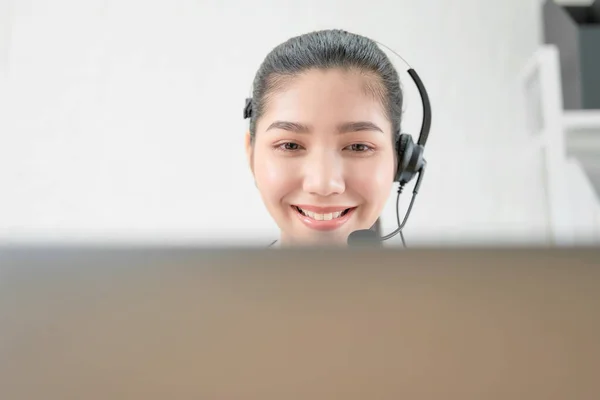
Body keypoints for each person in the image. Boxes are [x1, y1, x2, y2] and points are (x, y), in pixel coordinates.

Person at [244, 29, 403, 247]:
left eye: (358, 147)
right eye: (290, 145)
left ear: (402, 160)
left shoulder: (433, 282)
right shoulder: (214, 281)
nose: (323, 184)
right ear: (251, 154)